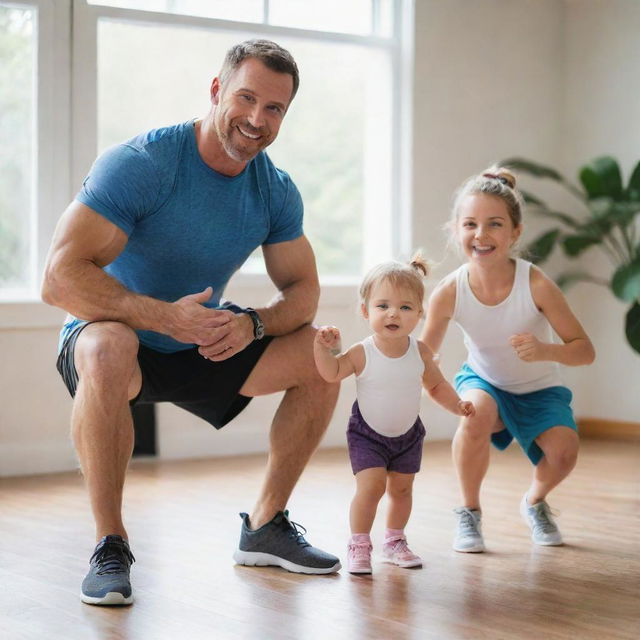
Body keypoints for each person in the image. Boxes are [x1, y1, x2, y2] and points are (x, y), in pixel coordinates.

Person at [41, 39, 342, 606]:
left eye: (274, 108)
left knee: (322, 356)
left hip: (201, 341)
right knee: (108, 343)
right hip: (116, 339)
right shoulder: (144, 164)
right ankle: (110, 543)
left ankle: (266, 525)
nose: (257, 119)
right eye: (246, 98)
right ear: (216, 91)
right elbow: (58, 280)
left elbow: (304, 292)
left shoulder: (274, 191)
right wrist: (162, 317)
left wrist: (253, 324)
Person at [420, 166, 595, 553]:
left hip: (539, 388)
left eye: (494, 224)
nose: (480, 235)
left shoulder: (535, 284)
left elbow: (584, 349)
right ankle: (468, 512)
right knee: (477, 412)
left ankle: (535, 501)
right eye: (470, 224)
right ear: (455, 230)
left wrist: (545, 350)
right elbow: (424, 355)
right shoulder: (449, 292)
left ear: (515, 232)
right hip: (484, 381)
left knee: (564, 452)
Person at [313, 256, 475, 574]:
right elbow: (332, 372)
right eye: (382, 305)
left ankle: (394, 541)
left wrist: (457, 405)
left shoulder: (421, 352)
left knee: (402, 490)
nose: (393, 314)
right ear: (365, 310)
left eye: (405, 307)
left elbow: (437, 385)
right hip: (366, 434)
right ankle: (359, 543)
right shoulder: (363, 352)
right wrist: (324, 350)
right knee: (371, 487)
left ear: (419, 313)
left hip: (408, 435)